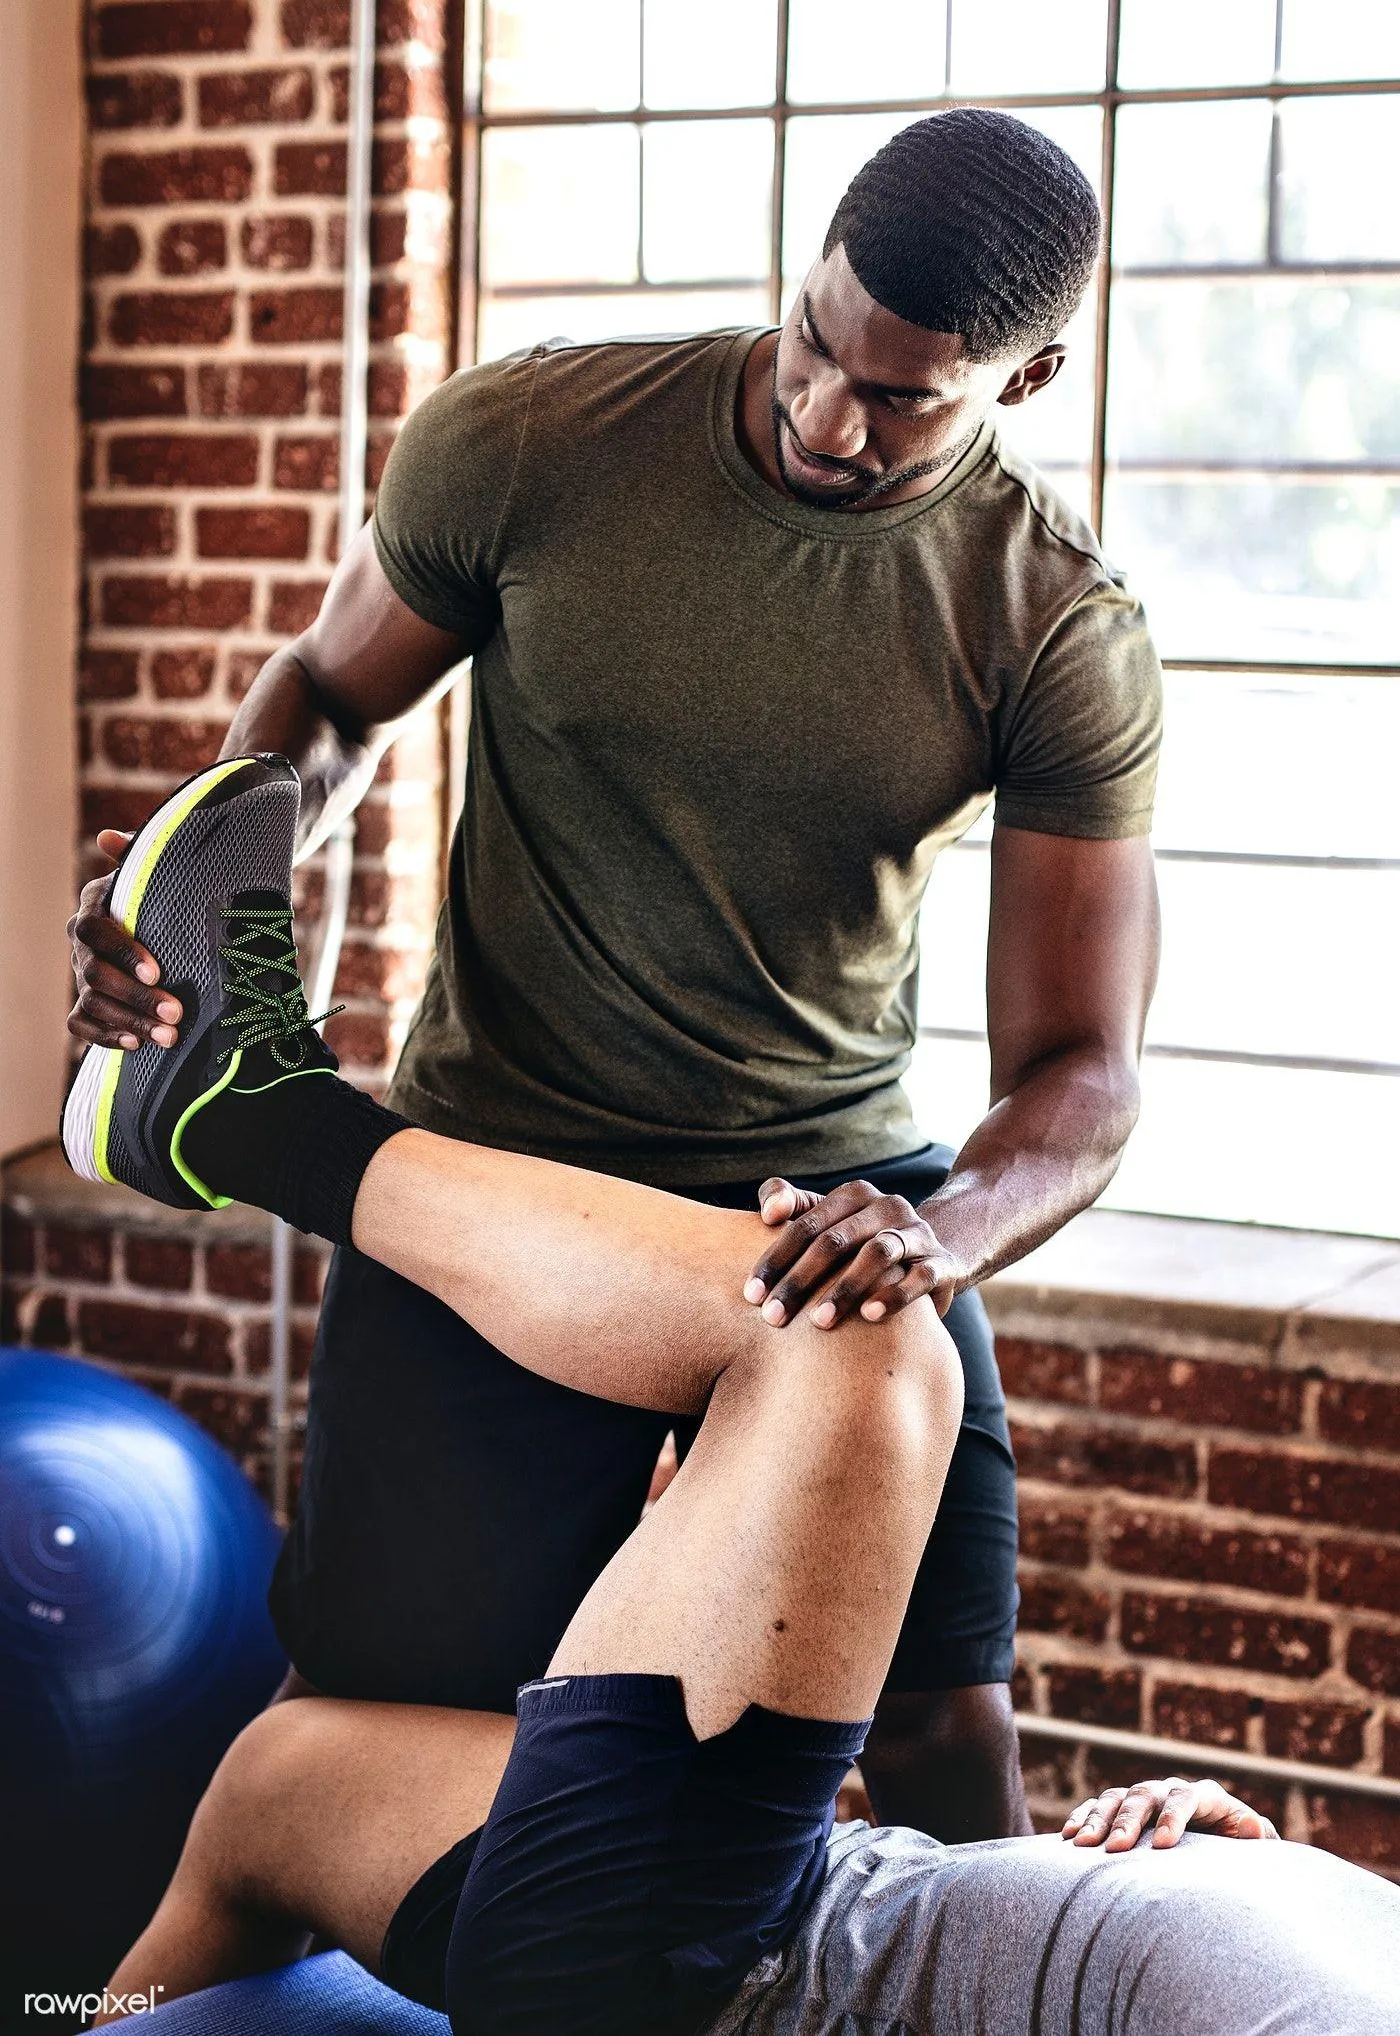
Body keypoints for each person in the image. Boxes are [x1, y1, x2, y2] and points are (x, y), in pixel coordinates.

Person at [66, 107, 1163, 1839]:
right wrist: (212, 909)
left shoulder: (1048, 621)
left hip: (818, 1211)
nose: (826, 413)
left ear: (1020, 386)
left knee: (947, 1734)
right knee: (366, 1700)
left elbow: (1084, 1072)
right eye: (815, 338)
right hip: (498, 1165)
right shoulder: (529, 436)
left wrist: (936, 1234)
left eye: (902, 395)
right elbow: (333, 699)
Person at [75, 762, 1398, 2036]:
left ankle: (254, 1120)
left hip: (681, 1968)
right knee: (273, 1783)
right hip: (782, 1893)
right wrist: (1188, 1844)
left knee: (859, 1337)